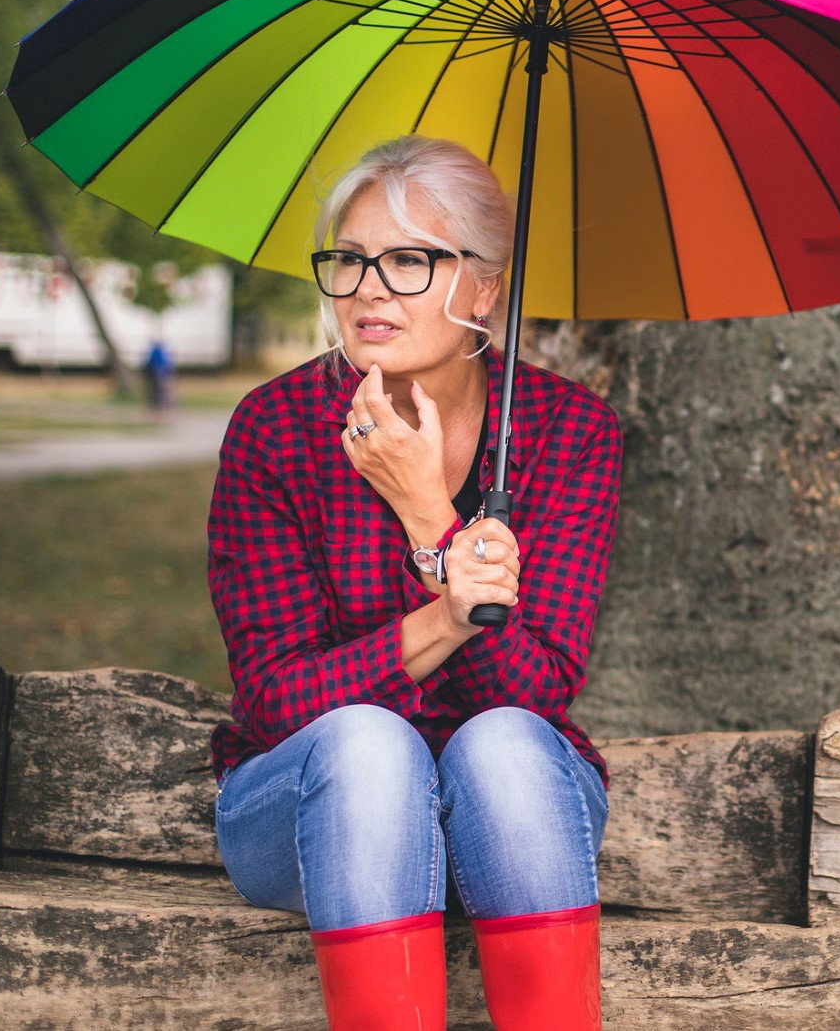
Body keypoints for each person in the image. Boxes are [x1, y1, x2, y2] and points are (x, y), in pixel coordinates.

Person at [206, 134, 621, 1030]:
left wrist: (430, 514)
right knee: (368, 746)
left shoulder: (570, 433)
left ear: (484, 288)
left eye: (408, 261)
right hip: (316, 810)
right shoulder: (275, 431)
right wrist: (447, 614)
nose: (366, 290)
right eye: (349, 261)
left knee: (505, 741)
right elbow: (279, 703)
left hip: (507, 819)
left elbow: (540, 688)